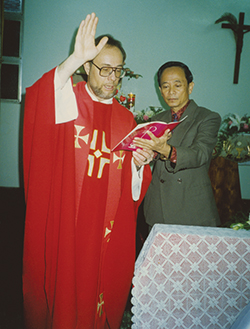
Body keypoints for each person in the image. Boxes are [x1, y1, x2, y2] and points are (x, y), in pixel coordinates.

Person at [22, 13, 153, 329]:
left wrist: (138, 166)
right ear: (85, 68)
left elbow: (133, 192)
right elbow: (40, 99)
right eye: (104, 69)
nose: (112, 78)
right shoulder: (67, 101)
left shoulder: (125, 120)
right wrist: (73, 59)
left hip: (104, 236)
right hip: (68, 227)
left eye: (118, 71)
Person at [133, 61, 221, 229]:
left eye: (177, 85)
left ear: (190, 87)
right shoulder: (156, 119)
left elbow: (200, 154)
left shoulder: (207, 117)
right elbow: (150, 156)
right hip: (157, 207)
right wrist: (144, 156)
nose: (171, 92)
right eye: (165, 86)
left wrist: (164, 149)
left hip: (191, 208)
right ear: (160, 90)